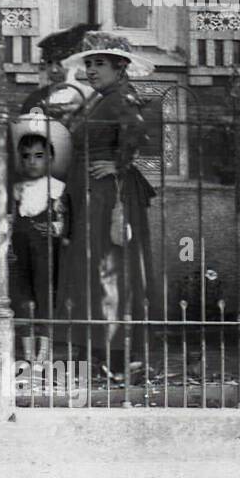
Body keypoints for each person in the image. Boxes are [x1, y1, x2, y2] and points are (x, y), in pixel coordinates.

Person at [57, 32, 156, 375]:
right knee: (94, 270)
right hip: (91, 191)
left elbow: (138, 130)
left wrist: (120, 164)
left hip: (109, 193)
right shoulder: (100, 98)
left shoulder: (120, 98)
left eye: (100, 63)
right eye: (89, 63)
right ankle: (100, 349)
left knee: (110, 271)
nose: (92, 70)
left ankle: (119, 353)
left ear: (120, 67)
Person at [7, 115, 71, 370]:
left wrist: (57, 229)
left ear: (50, 158)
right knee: (22, 298)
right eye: (26, 156)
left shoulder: (57, 188)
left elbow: (67, 222)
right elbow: (9, 218)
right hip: (20, 250)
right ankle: (26, 354)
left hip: (46, 251)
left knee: (45, 298)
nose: (32, 162)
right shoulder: (16, 189)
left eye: (38, 155)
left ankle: (43, 356)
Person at [20, 23, 97, 125]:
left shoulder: (90, 96)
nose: (54, 70)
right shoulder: (36, 98)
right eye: (49, 63)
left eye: (59, 64)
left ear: (74, 64)